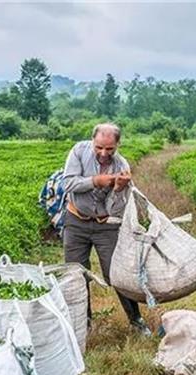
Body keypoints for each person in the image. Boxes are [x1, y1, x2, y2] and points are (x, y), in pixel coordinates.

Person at [62, 122, 151, 336]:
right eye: (99, 147)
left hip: (105, 226)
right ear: (93, 141)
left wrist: (118, 189)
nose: (103, 153)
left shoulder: (122, 166)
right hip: (76, 222)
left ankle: (136, 320)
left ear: (117, 145)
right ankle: (83, 323)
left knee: (117, 274)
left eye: (109, 149)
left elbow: (114, 209)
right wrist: (97, 181)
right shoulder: (78, 151)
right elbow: (68, 184)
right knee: (76, 274)